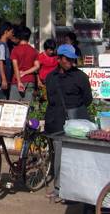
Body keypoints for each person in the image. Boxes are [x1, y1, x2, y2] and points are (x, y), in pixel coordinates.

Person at [44, 44, 92, 201]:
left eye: (72, 59)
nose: (71, 62)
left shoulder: (80, 77)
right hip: (56, 122)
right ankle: (60, 189)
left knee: (76, 157)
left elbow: (87, 100)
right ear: (59, 59)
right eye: (68, 59)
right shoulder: (51, 77)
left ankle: (75, 190)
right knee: (58, 156)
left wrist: (74, 111)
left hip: (76, 123)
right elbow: (51, 99)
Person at [9, 26, 39, 102]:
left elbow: (15, 68)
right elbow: (37, 66)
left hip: (16, 81)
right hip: (30, 81)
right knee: (28, 108)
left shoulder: (15, 50)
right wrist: (25, 72)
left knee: (13, 107)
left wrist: (19, 81)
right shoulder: (34, 51)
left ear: (19, 37)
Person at [0, 22, 14, 99]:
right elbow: (0, 62)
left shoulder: (5, 45)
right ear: (6, 32)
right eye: (11, 32)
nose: (12, 34)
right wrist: (4, 79)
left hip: (1, 80)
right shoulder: (2, 45)